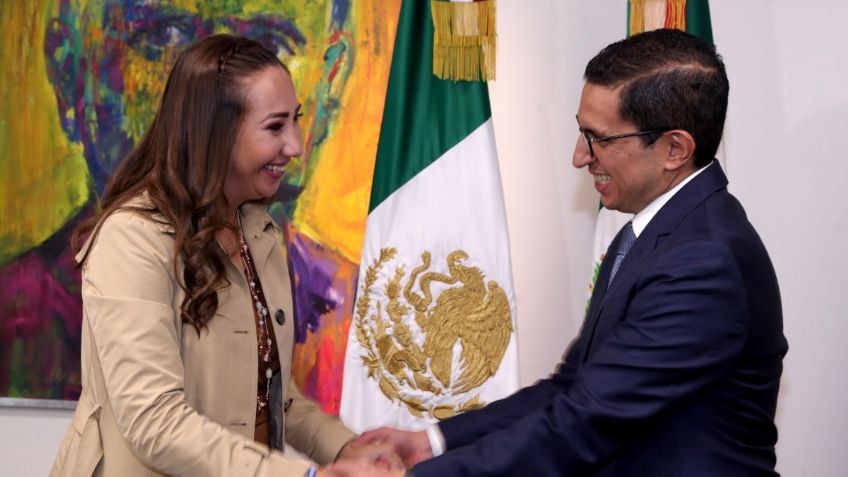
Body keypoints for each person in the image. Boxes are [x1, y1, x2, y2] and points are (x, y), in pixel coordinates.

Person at [335, 28, 788, 477]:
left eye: (600, 139)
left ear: (674, 148)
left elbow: (586, 421)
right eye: (582, 133)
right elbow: (571, 389)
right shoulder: (656, 233)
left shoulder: (704, 262)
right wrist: (431, 443)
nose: (579, 156)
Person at [50, 34, 400, 476]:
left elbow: (277, 397)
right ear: (216, 131)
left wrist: (347, 449)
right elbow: (154, 422)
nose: (294, 145)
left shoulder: (258, 232)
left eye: (295, 121)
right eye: (275, 127)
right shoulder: (131, 238)